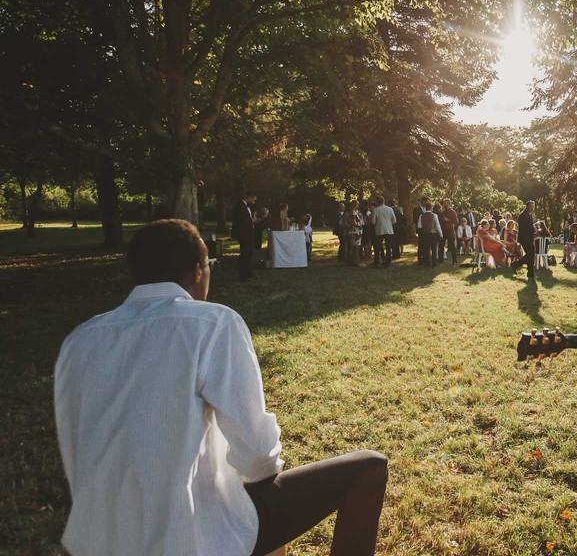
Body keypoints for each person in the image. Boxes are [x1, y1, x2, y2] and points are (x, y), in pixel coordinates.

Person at [54, 219, 388, 556]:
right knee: (369, 468)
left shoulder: (79, 340)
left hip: (98, 539)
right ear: (198, 271)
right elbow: (258, 456)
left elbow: (75, 452)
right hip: (187, 536)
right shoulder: (212, 323)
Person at [232, 191, 257, 281]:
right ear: (249, 197)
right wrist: (252, 221)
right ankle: (243, 275)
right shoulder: (240, 206)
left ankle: (248, 272)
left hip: (248, 234)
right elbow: (241, 222)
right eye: (253, 199)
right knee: (244, 254)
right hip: (244, 234)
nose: (254, 201)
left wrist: (252, 221)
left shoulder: (247, 207)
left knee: (249, 253)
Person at [511, 200, 536, 279]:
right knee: (530, 254)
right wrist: (534, 229)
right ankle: (516, 264)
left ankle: (530, 273)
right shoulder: (522, 215)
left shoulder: (530, 214)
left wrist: (534, 229)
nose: (533, 208)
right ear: (527, 206)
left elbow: (530, 226)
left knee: (531, 255)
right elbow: (524, 228)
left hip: (529, 238)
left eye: (533, 206)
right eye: (531, 206)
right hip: (524, 238)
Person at [370, 196, 397, 268]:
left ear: (377, 202)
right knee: (388, 247)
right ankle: (388, 262)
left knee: (377, 247)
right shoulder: (390, 209)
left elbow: (373, 222)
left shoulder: (375, 210)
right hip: (389, 230)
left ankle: (377, 261)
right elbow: (394, 221)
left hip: (379, 230)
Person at [418, 202, 441, 267]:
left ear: (425, 207)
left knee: (427, 249)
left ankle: (427, 263)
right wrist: (441, 234)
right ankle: (434, 263)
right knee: (434, 249)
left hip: (425, 234)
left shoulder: (421, 215)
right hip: (433, 234)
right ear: (431, 208)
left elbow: (419, 226)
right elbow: (438, 226)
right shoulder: (434, 215)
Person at [441, 199, 459, 265]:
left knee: (452, 246)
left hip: (450, 231)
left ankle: (455, 261)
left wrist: (448, 220)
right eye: (444, 203)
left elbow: (456, 222)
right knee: (441, 245)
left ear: (449, 204)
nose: (444, 204)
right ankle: (441, 260)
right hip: (443, 230)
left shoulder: (453, 212)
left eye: (445, 203)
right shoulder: (442, 212)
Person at [345, 200, 363, 266]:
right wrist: (357, 224)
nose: (357, 206)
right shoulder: (349, 213)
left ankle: (356, 261)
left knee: (357, 247)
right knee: (352, 247)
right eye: (356, 204)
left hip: (358, 231)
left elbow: (361, 222)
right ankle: (350, 261)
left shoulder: (357, 212)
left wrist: (359, 224)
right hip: (352, 231)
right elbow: (352, 223)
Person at [414, 197, 430, 265]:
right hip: (420, 229)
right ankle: (420, 259)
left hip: (426, 230)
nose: (427, 203)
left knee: (425, 244)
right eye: (426, 202)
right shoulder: (416, 209)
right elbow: (414, 219)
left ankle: (425, 258)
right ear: (423, 201)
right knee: (420, 244)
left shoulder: (426, 209)